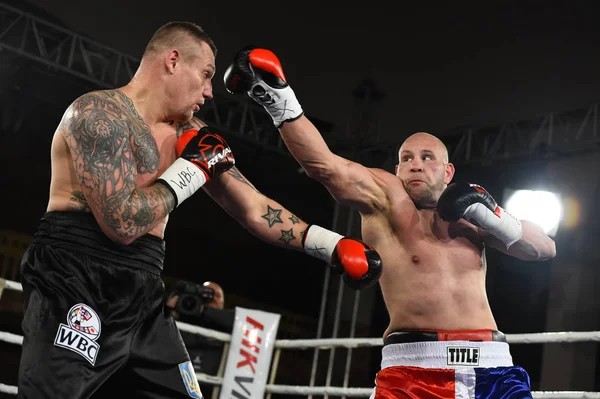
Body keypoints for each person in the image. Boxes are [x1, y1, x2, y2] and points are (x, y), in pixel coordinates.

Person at [17, 23, 383, 399]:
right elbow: (122, 223)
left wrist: (330, 244)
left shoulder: (189, 132)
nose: (209, 92)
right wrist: (191, 171)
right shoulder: (97, 115)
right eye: (205, 74)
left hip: (143, 293)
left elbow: (253, 207)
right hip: (74, 277)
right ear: (173, 60)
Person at [224, 47, 557, 398]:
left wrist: (492, 215)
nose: (415, 164)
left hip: (491, 369)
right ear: (396, 170)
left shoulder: (474, 213)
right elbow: (324, 166)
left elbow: (544, 250)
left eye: (427, 158)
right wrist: (277, 98)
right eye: (407, 158)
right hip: (413, 370)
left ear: (448, 172)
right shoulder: (386, 199)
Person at [166, 280, 234, 398]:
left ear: (223, 301)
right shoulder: (185, 320)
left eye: (215, 294)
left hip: (211, 391)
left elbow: (239, 320)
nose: (211, 298)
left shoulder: (229, 324)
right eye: (206, 293)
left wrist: (203, 310)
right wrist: (171, 308)